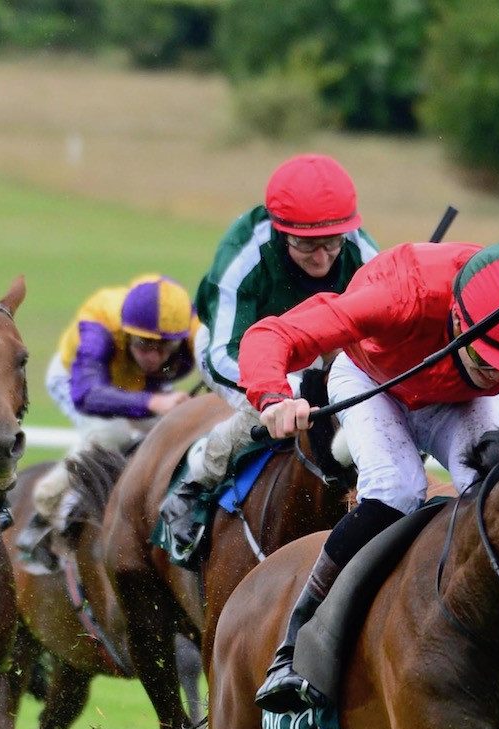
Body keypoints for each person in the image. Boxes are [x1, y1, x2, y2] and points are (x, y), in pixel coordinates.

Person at [236, 239, 499, 713]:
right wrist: (273, 396)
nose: (495, 375)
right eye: (486, 361)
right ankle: (298, 639)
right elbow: (273, 334)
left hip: (458, 403)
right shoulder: (401, 294)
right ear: (460, 320)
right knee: (397, 489)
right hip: (375, 381)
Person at [157, 155, 378, 556]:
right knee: (266, 407)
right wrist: (276, 392)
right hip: (236, 349)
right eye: (307, 245)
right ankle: (194, 483)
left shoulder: (361, 248)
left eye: (332, 243)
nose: (323, 258)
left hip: (320, 346)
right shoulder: (245, 252)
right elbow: (225, 350)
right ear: (281, 231)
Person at [19, 276, 198, 565]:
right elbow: (86, 394)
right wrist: (154, 402)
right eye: (143, 344)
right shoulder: (99, 325)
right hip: (77, 380)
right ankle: (47, 501)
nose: (153, 357)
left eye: (164, 347)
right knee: (111, 434)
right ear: (126, 334)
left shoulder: (193, 327)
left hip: (139, 384)